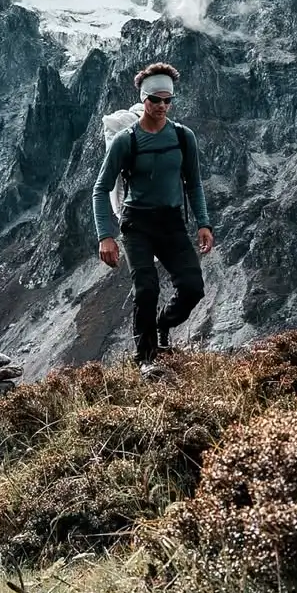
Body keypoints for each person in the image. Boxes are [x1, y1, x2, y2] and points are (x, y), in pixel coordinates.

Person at [92, 62, 214, 371]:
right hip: (137, 225)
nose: (161, 106)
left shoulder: (184, 137)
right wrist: (105, 236)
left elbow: (194, 183)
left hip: (171, 221)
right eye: (155, 100)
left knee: (192, 288)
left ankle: (163, 325)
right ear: (143, 99)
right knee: (146, 289)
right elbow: (101, 188)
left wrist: (204, 223)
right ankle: (145, 360)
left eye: (167, 100)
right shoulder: (126, 141)